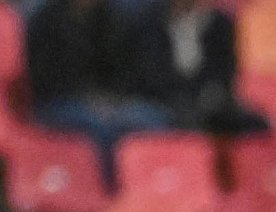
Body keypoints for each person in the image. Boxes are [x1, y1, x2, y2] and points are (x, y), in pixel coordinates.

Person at [26, 0, 171, 170]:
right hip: (57, 102)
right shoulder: (46, 20)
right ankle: (107, 190)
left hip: (107, 101)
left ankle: (151, 186)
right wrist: (88, 100)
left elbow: (120, 70)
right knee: (102, 130)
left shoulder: (110, 20)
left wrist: (111, 100)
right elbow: (44, 78)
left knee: (154, 119)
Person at [121, 0, 262, 136]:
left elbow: (224, 75)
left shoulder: (219, 23)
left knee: (252, 123)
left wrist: (208, 97)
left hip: (206, 103)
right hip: (160, 103)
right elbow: (147, 75)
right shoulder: (148, 22)